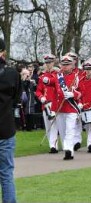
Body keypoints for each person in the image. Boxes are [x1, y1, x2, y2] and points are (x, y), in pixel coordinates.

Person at [0, 38, 21, 203]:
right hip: (5, 128)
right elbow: (16, 98)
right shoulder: (12, 73)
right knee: (6, 173)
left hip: (6, 128)